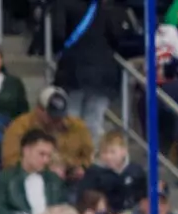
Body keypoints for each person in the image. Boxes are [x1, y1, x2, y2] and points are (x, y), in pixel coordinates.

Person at [54, 0, 132, 138]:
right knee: (94, 122)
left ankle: (72, 156)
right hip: (103, 74)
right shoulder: (107, 8)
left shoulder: (64, 4)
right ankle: (91, 156)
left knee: (71, 121)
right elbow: (117, 38)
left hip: (72, 71)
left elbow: (58, 34)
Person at [2, 87, 93, 184]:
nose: (57, 121)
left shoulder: (77, 126)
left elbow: (88, 156)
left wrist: (78, 167)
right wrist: (44, 168)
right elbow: (10, 161)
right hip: (31, 179)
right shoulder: (20, 126)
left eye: (61, 116)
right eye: (52, 116)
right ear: (39, 109)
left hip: (69, 179)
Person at [0, 129, 67, 214]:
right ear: (26, 150)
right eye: (41, 154)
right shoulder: (5, 178)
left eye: (49, 156)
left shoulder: (53, 180)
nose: (46, 160)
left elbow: (64, 204)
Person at [76, 129, 148, 214]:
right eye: (104, 152)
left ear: (124, 151)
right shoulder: (94, 174)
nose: (108, 157)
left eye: (112, 152)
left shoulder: (136, 171)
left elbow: (143, 198)